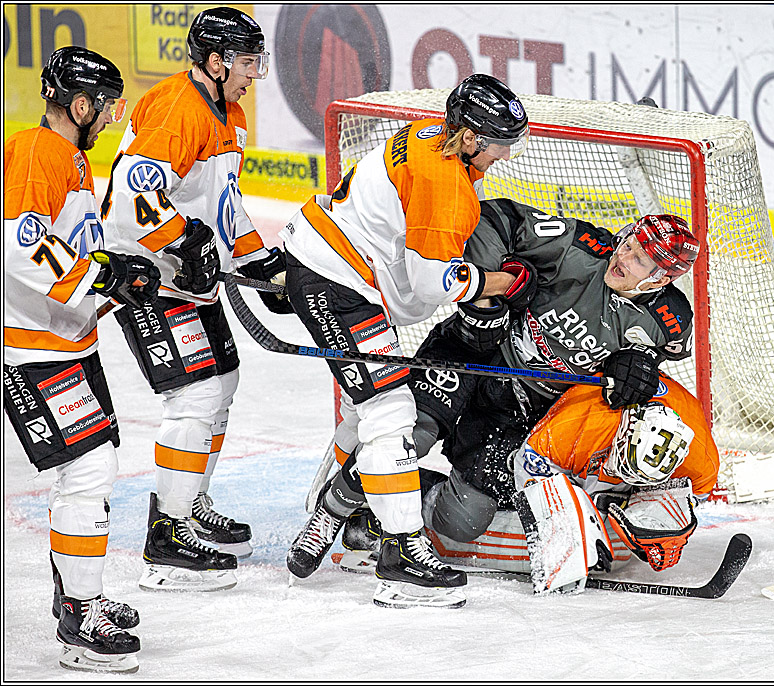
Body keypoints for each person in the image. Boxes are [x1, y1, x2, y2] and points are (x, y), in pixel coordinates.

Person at [293, 199, 700, 580]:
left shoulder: (668, 321)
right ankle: (331, 511)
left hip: (521, 409)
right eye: (628, 245)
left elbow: (650, 367)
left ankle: (381, 506)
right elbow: (493, 219)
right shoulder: (579, 246)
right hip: (475, 354)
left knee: (464, 519)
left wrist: (638, 367)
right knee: (408, 435)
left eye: (640, 259)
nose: (623, 258)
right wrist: (489, 297)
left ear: (661, 278)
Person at [283, 73, 532, 609]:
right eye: (499, 144)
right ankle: (401, 558)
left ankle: (332, 508)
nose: (504, 155)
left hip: (333, 264)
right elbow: (427, 284)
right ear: (468, 138)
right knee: (391, 413)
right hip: (338, 285)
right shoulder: (449, 186)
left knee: (366, 406)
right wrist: (492, 282)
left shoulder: (423, 134)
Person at [103, 7, 286, 592]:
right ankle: (167, 534)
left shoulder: (225, 110)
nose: (256, 73)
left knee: (223, 382)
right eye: (248, 60)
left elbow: (223, 205)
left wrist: (260, 259)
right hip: (148, 275)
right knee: (196, 395)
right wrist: (181, 237)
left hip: (189, 275)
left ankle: (191, 501)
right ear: (215, 60)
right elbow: (135, 199)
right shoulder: (179, 108)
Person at [4, 46, 160, 673]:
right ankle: (80, 613)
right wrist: (103, 281)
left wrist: (115, 270)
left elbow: (66, 243)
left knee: (94, 469)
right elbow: (22, 248)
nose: (110, 118)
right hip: (34, 349)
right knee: (89, 473)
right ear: (79, 105)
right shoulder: (36, 152)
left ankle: (77, 596)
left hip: (65, 341)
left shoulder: (62, 154)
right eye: (105, 106)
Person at [506, 372, 720, 593]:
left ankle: (633, 485)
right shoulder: (579, 421)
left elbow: (693, 497)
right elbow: (526, 466)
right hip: (576, 432)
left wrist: (658, 523)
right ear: (625, 431)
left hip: (630, 445)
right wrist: (564, 535)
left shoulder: (701, 461)